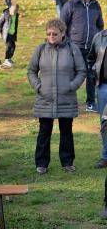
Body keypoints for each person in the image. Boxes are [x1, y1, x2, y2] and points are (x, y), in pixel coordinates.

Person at [27, 19, 87, 174]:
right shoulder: (40, 49)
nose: (51, 36)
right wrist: (38, 87)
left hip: (66, 98)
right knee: (44, 132)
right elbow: (31, 71)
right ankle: (42, 164)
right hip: (45, 99)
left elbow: (82, 71)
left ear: (63, 33)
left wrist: (71, 86)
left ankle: (67, 162)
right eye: (48, 34)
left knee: (66, 131)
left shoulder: (72, 49)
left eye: (55, 34)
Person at [61, 0, 104, 112]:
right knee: (72, 74)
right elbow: (62, 25)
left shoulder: (96, 6)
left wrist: (98, 41)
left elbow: (100, 25)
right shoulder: (71, 4)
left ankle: (90, 103)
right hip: (75, 46)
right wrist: (66, 43)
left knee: (91, 75)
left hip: (91, 48)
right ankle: (66, 102)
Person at [89, 28, 107, 168]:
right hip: (103, 87)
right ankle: (106, 156)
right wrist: (94, 76)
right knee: (105, 122)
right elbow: (90, 59)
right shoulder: (99, 37)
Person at [0, 3, 21, 68]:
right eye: (13, 11)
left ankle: (9, 59)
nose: (14, 12)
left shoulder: (16, 15)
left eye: (16, 11)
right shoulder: (5, 14)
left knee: (13, 46)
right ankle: (6, 60)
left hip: (12, 33)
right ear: (10, 9)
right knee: (9, 45)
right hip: (6, 33)